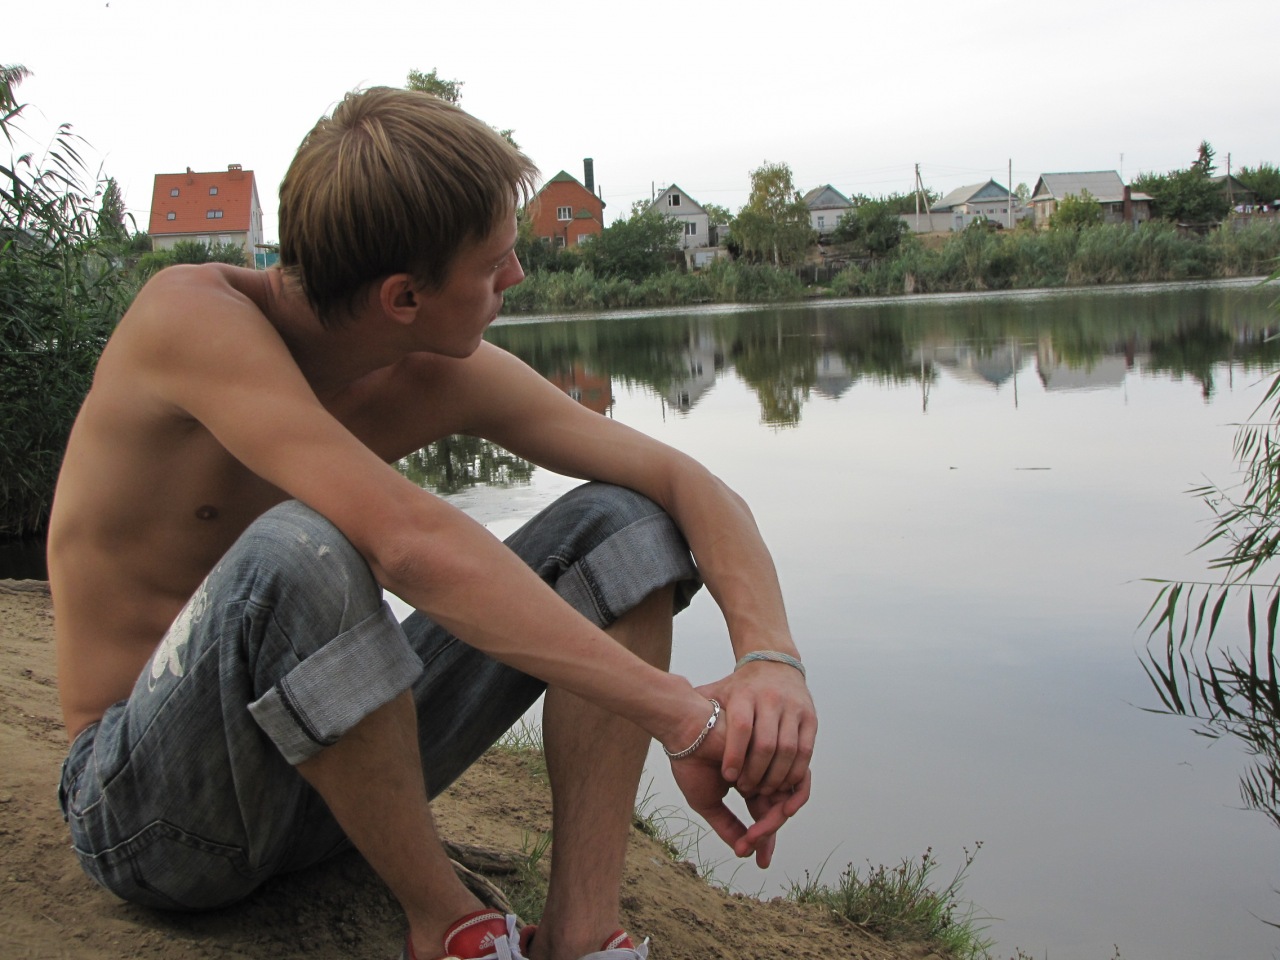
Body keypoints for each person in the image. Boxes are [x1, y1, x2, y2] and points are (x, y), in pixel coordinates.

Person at [48, 86, 816, 960]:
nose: (516, 278)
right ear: (404, 297)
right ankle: (450, 928)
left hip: (333, 801)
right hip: (153, 813)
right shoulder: (187, 318)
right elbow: (404, 539)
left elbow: (685, 481)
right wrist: (685, 716)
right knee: (300, 548)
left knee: (626, 522)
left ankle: (581, 934)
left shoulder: (438, 370)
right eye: (494, 264)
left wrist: (770, 660)